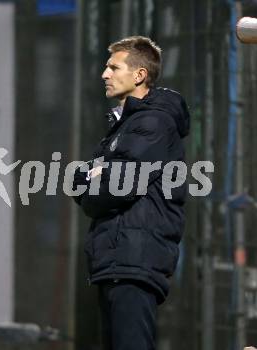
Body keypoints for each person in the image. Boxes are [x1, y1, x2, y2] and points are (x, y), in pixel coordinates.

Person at [72, 36, 190, 350]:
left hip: (133, 260)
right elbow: (78, 181)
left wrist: (94, 181)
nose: (104, 74)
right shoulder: (125, 126)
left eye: (114, 67)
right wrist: (92, 178)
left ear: (139, 75)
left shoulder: (152, 122)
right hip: (117, 259)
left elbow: (114, 187)